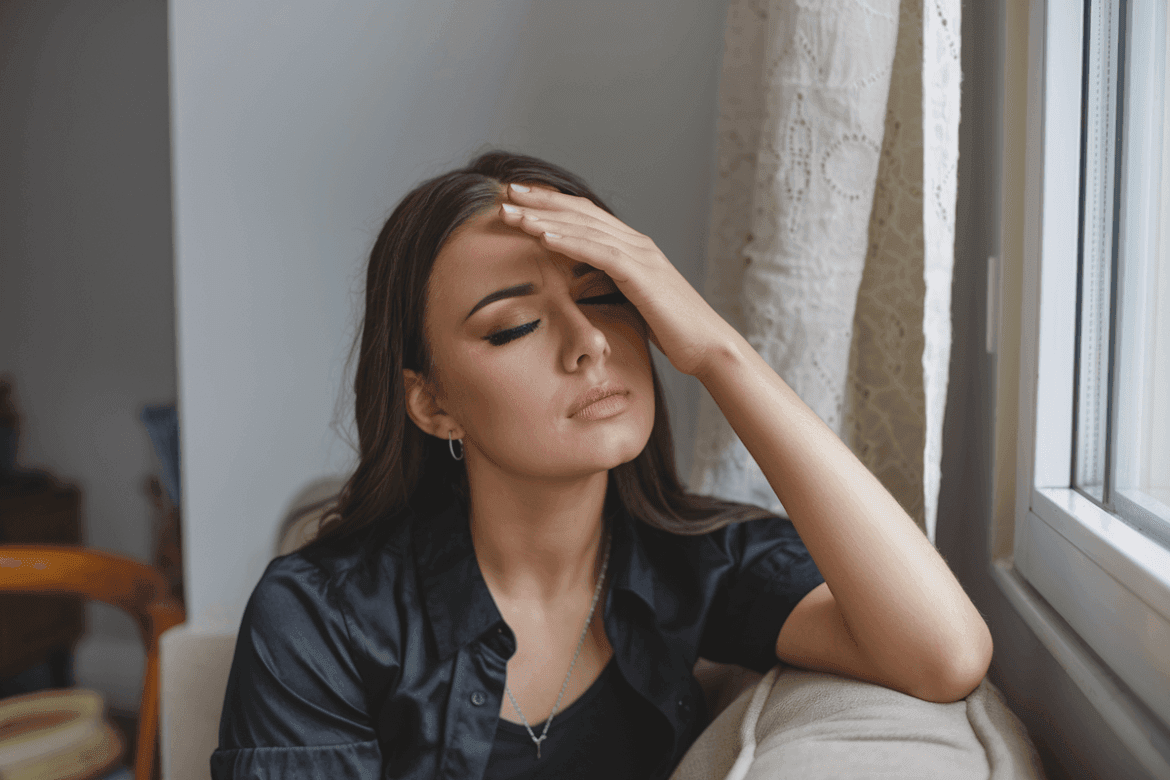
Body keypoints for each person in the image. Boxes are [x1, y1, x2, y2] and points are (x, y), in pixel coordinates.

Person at [210, 150, 993, 780]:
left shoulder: (697, 564)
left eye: (611, 297)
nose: (588, 340)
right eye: (513, 326)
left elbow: (944, 654)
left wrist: (719, 353)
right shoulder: (316, 618)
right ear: (432, 403)